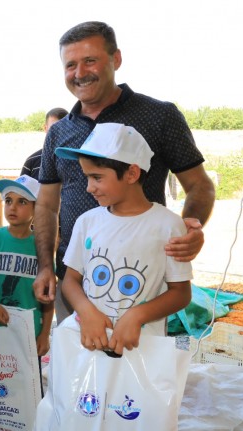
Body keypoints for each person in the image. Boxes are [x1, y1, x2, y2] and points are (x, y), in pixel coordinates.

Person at [32, 21, 215, 326]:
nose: (79, 73)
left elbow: (200, 186)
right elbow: (47, 205)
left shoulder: (159, 116)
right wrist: (45, 266)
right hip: (75, 281)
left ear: (116, 59)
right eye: (70, 65)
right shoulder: (59, 133)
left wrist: (186, 231)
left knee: (136, 362)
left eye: (90, 60)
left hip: (141, 284)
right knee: (81, 365)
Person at [54, 123, 193, 354]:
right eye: (87, 177)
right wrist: (86, 311)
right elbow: (70, 281)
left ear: (131, 173)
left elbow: (180, 293)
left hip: (141, 349)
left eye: (97, 177)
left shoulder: (168, 225)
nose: (89, 187)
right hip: (88, 344)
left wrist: (137, 315)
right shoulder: (87, 222)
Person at [0, 175, 54, 395]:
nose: (13, 207)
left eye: (22, 202)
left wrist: (44, 333)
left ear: (37, 209)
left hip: (30, 328)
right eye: (8, 201)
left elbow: (48, 294)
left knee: (29, 385)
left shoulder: (40, 244)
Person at [21, 107, 69, 179]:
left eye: (63, 128)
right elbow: (21, 189)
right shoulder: (31, 161)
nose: (59, 132)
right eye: (54, 128)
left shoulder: (76, 159)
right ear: (45, 128)